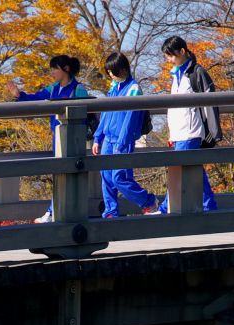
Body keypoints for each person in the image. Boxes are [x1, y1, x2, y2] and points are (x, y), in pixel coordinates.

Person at [8, 55, 92, 223]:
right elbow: (36, 98)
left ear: (66, 69)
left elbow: (85, 114)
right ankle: (55, 212)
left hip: (72, 139)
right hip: (58, 138)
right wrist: (19, 95)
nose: (52, 72)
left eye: (55, 69)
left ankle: (54, 213)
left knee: (65, 175)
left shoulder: (79, 89)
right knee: (60, 174)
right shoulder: (53, 89)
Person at [157, 36, 220, 214]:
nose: (169, 60)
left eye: (171, 56)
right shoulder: (176, 75)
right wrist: (171, 134)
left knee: (179, 170)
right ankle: (209, 205)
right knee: (193, 169)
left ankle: (165, 208)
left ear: (182, 52)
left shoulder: (196, 73)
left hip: (192, 131)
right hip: (180, 133)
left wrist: (213, 133)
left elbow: (210, 104)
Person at [91, 52, 158, 219]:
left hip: (123, 140)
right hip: (108, 138)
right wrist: (98, 138)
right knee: (106, 177)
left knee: (119, 178)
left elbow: (131, 119)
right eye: (109, 73)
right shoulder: (114, 88)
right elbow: (105, 115)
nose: (111, 75)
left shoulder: (133, 88)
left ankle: (148, 201)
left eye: (112, 72)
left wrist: (123, 141)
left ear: (122, 69)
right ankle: (111, 211)